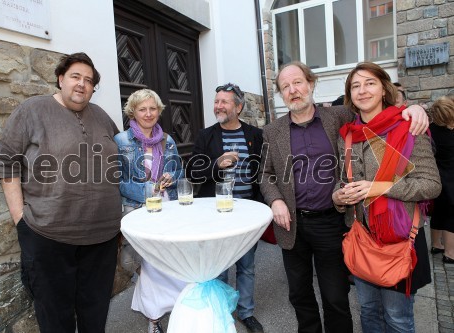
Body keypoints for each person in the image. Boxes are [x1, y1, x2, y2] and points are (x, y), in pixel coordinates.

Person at [259, 61, 429, 333]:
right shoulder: (272, 131)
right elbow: (265, 174)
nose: (293, 90)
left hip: (332, 221)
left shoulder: (338, 116)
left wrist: (413, 108)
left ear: (311, 84)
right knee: (299, 295)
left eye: (298, 82)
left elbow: (378, 110)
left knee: (336, 296)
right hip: (292, 225)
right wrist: (275, 200)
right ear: (281, 94)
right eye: (285, 87)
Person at [0, 52, 122, 333]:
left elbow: (123, 157)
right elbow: (6, 164)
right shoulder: (32, 110)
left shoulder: (101, 116)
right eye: (76, 76)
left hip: (102, 237)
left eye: (89, 80)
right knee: (55, 318)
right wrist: (20, 220)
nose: (82, 84)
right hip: (48, 235)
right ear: (61, 78)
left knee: (95, 312)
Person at [333, 61, 441, 332]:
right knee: (368, 313)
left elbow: (431, 185)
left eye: (370, 83)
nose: (362, 90)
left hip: (399, 240)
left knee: (397, 319)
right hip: (362, 240)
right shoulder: (347, 137)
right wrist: (339, 197)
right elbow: (342, 181)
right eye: (355, 85)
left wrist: (381, 187)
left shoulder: (407, 127)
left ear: (384, 89)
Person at [187, 83, 264, 333]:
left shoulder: (254, 135)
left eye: (225, 102)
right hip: (216, 214)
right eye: (216, 101)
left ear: (239, 107)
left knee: (246, 265)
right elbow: (192, 173)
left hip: (247, 213)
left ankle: (246, 312)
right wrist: (217, 164)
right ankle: (220, 312)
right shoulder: (206, 136)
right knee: (218, 268)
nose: (218, 106)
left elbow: (263, 172)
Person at [114, 88, 186, 333]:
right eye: (142, 109)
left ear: (159, 111)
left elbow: (179, 172)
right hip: (138, 210)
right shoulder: (121, 141)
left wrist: (171, 176)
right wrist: (148, 190)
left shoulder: (169, 140)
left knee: (172, 262)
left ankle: (179, 311)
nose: (148, 113)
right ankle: (154, 318)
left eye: (152, 108)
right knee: (150, 266)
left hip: (168, 208)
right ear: (133, 112)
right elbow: (118, 180)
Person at [429, 93, 454, 264]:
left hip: (436, 179)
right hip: (451, 179)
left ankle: (436, 245)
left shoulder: (430, 131)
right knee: (451, 217)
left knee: (437, 213)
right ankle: (450, 253)